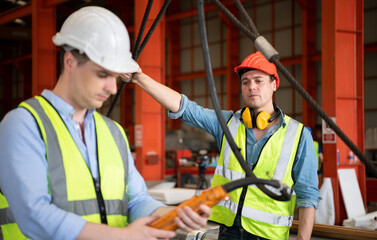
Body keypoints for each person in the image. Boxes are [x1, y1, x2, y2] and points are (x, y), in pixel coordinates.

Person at [0, 6, 211, 240]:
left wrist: (174, 215)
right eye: (103, 75)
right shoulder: (24, 125)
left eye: (115, 76)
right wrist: (121, 236)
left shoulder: (113, 132)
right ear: (70, 61)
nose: (112, 88)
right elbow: (33, 215)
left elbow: (136, 199)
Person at [131, 51, 320, 240]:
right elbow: (184, 107)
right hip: (227, 232)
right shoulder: (228, 123)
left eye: (258, 80)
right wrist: (139, 78)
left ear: (274, 84)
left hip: (269, 236)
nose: (251, 86)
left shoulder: (298, 135)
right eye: (245, 82)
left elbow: (308, 197)